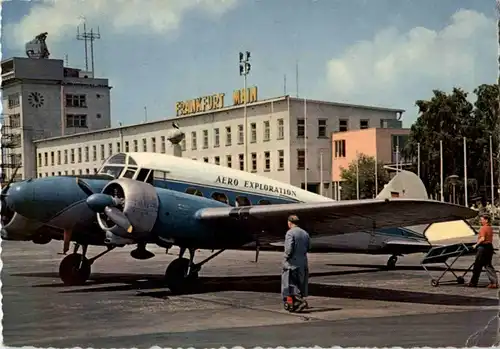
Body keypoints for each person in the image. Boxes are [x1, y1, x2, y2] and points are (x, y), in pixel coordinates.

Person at [281, 214, 310, 312]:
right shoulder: (305, 233)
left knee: (289, 283)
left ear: (289, 222)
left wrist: (285, 258)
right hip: (303, 262)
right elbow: (308, 247)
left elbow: (289, 249)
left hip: (292, 263)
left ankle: (299, 301)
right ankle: (296, 303)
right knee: (300, 283)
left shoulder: (290, 233)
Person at [468, 214, 498, 288]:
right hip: (489, 247)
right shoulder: (490, 228)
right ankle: (494, 282)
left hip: (483, 248)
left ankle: (473, 282)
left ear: (486, 220)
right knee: (488, 265)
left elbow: (482, 238)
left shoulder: (483, 228)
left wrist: (476, 245)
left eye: (482, 219)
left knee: (477, 265)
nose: (480, 221)